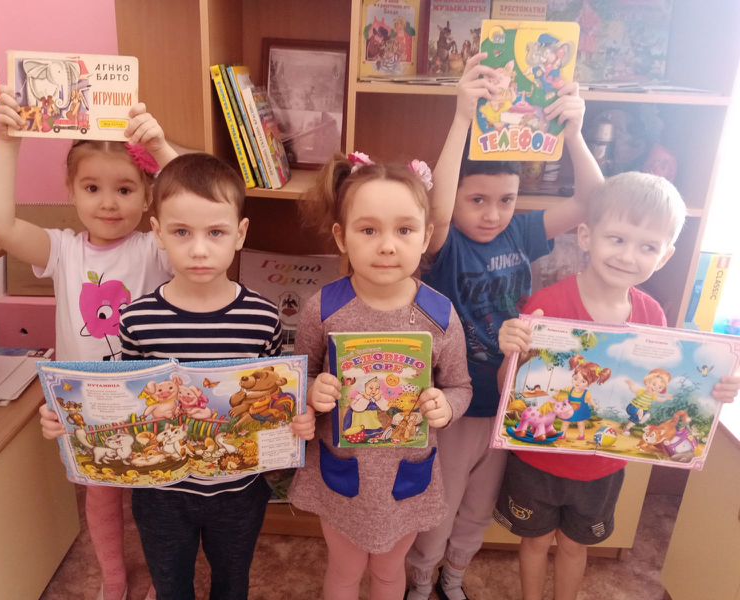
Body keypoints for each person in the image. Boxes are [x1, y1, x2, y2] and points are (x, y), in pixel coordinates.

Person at [406, 54, 605, 600]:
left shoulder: (520, 231)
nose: (492, 213)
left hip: (510, 401)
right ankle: (420, 582)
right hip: (454, 401)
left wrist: (575, 133)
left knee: (477, 508)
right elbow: (436, 212)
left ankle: (453, 579)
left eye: (505, 201)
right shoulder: (443, 239)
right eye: (477, 200)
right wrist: (461, 119)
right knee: (440, 506)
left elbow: (593, 202)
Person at [495, 172, 740, 600]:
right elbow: (509, 392)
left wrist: (713, 393)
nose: (628, 256)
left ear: (664, 257)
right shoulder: (546, 305)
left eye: (647, 246)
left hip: (602, 469)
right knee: (534, 542)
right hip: (538, 462)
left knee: (575, 547)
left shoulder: (653, 316)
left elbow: (665, 391)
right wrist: (510, 353)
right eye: (618, 239)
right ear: (586, 236)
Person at [0, 85, 178, 600]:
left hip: (152, 401)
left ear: (149, 196)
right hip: (89, 406)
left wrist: (160, 150)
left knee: (156, 501)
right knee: (101, 497)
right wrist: (7, 141)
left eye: (125, 189)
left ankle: (164, 578)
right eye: (92, 188)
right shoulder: (63, 250)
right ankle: (113, 576)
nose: (108, 203)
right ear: (71, 191)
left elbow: (195, 211)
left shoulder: (157, 248)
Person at [117, 153, 316, 600]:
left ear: (240, 234)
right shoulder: (137, 319)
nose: (199, 249)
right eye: (181, 232)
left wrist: (296, 421)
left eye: (216, 232)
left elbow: (274, 398)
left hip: (239, 489)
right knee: (171, 586)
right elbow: (127, 398)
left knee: (232, 583)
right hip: (161, 491)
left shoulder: (263, 318)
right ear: (158, 233)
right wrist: (70, 416)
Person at [287, 152, 472, 600]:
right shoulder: (322, 308)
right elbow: (295, 378)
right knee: (345, 570)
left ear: (426, 236)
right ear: (341, 237)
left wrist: (446, 407)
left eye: (404, 230)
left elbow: (460, 386)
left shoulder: (440, 315)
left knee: (390, 573)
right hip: (342, 474)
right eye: (369, 230)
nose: (387, 246)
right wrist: (311, 391)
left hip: (405, 479)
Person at [557, 355, 611, 441]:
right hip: (568, 411)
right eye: (575, 378)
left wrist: (594, 405)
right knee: (565, 422)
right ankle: (562, 434)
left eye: (583, 381)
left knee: (581, 423)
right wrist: (558, 392)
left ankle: (581, 435)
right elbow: (563, 393)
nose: (578, 382)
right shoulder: (569, 389)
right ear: (572, 376)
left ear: (590, 383)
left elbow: (590, 400)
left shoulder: (586, 393)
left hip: (580, 412)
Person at [623, 369, 673, 435]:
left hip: (643, 411)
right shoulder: (642, 391)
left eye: (660, 387)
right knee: (640, 411)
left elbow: (660, 399)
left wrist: (666, 398)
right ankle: (641, 418)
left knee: (634, 421)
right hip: (632, 407)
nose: (656, 388)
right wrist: (630, 385)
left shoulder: (653, 396)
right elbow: (633, 390)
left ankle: (627, 428)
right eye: (654, 384)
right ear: (647, 383)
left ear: (661, 390)